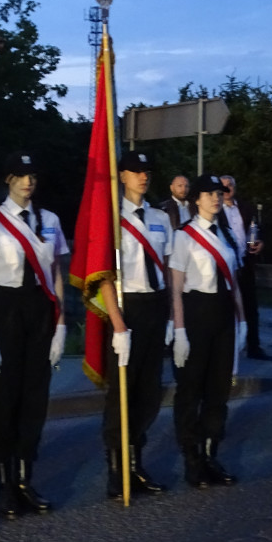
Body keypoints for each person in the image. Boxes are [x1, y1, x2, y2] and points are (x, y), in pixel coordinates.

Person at [0, 151, 68, 520]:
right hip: (5, 312)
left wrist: (60, 325)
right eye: (21, 175)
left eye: (32, 175)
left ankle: (26, 480)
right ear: (8, 179)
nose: (28, 181)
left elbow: (56, 273)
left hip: (40, 314)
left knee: (34, 401)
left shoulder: (51, 220)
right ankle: (4, 485)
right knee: (3, 403)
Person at [96, 152, 172, 499]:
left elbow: (168, 268)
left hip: (156, 306)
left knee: (148, 391)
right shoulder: (111, 219)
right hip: (128, 309)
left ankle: (136, 463)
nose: (144, 176)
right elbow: (104, 276)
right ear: (122, 175)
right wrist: (118, 325)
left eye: (148, 171)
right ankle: (117, 468)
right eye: (137, 171)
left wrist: (172, 317)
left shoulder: (160, 217)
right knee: (121, 394)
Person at [170, 174, 245, 488]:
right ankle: (192, 459)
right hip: (196, 314)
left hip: (223, 315)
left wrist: (242, 322)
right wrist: (180, 330)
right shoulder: (184, 236)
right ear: (196, 200)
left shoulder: (226, 235)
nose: (216, 198)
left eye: (219, 193)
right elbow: (175, 288)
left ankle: (212, 455)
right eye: (209, 193)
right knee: (191, 392)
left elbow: (234, 283)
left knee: (218, 391)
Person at [219, 175, 270, 360]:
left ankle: (253, 346)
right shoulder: (215, 210)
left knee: (250, 307)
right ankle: (227, 348)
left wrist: (260, 243)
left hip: (244, 264)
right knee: (226, 308)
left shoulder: (245, 207)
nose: (227, 189)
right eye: (223, 186)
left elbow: (257, 229)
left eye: (230, 185)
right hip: (225, 267)